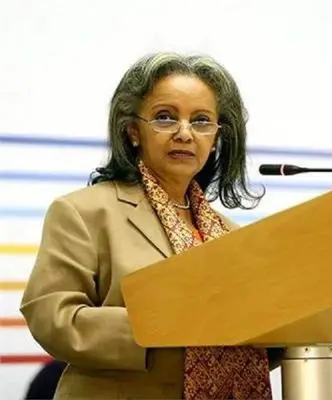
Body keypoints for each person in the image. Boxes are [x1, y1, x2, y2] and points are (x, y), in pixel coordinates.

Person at [20, 52, 280, 399]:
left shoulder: (231, 235)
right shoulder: (84, 212)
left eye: (201, 121)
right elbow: (53, 317)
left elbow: (253, 344)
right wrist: (164, 326)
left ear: (217, 137)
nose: (184, 133)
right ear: (133, 131)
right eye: (165, 117)